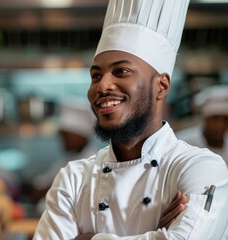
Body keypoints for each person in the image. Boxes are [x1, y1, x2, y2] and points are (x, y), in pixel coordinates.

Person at [33, 0, 228, 239]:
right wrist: (157, 234)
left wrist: (89, 238)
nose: (102, 86)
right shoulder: (72, 179)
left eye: (121, 71)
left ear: (162, 86)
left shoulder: (200, 168)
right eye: (95, 75)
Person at [31, 98, 101, 206]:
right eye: (61, 136)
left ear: (81, 137)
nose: (63, 141)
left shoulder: (95, 162)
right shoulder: (64, 161)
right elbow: (40, 186)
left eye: (66, 136)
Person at [176, 85, 228, 165]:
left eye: (225, 119)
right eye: (215, 119)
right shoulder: (183, 142)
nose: (220, 125)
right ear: (205, 119)